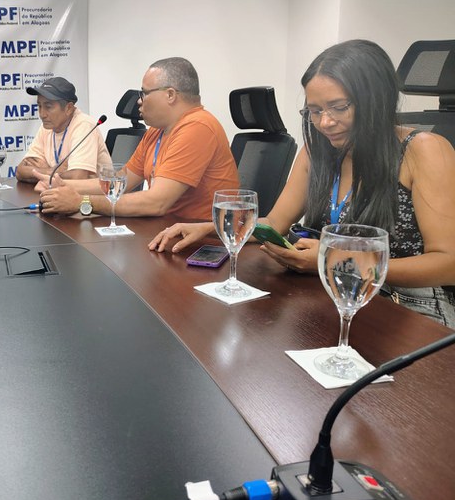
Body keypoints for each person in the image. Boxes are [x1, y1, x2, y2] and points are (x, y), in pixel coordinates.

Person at [149, 40, 455, 327]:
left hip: (409, 307)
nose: (324, 123)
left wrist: (333, 260)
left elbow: (448, 263)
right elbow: (275, 223)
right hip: (331, 295)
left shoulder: (424, 150)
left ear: (375, 101)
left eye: (338, 107)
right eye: (315, 111)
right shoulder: (317, 151)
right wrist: (208, 228)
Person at [36, 57, 238, 219]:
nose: (139, 101)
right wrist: (60, 184)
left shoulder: (197, 127)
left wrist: (82, 201)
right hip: (167, 230)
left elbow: (156, 202)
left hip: (202, 242)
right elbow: (118, 183)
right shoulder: (156, 131)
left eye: (144, 93)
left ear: (170, 95)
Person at [15, 76, 110, 184]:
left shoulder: (84, 125)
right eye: (39, 106)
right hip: (60, 195)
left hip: (92, 198)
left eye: (48, 107)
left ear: (68, 108)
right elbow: (20, 171)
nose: (42, 114)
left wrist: (38, 172)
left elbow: (76, 179)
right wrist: (52, 170)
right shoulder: (47, 126)